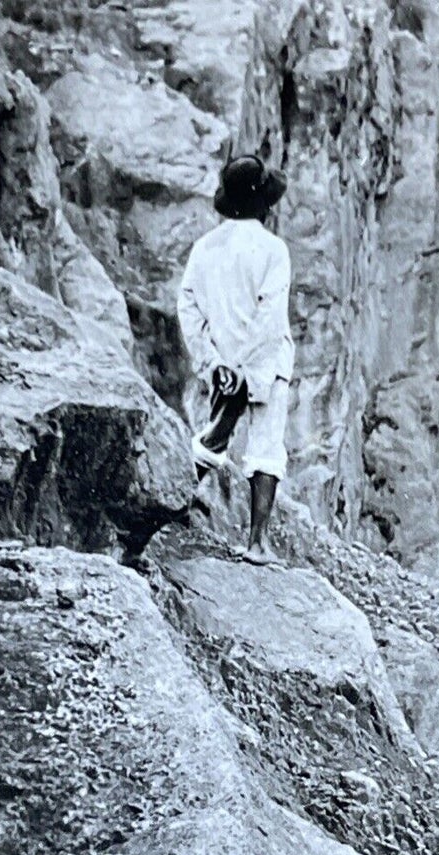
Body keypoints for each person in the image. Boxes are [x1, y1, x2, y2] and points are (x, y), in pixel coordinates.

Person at [176, 154, 295, 565]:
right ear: (263, 202)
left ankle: (171, 507)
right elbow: (270, 317)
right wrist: (248, 371)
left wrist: (214, 363)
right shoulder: (272, 250)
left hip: (224, 364)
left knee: (215, 435)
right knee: (265, 447)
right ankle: (258, 543)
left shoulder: (205, 248)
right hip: (263, 364)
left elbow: (188, 306)